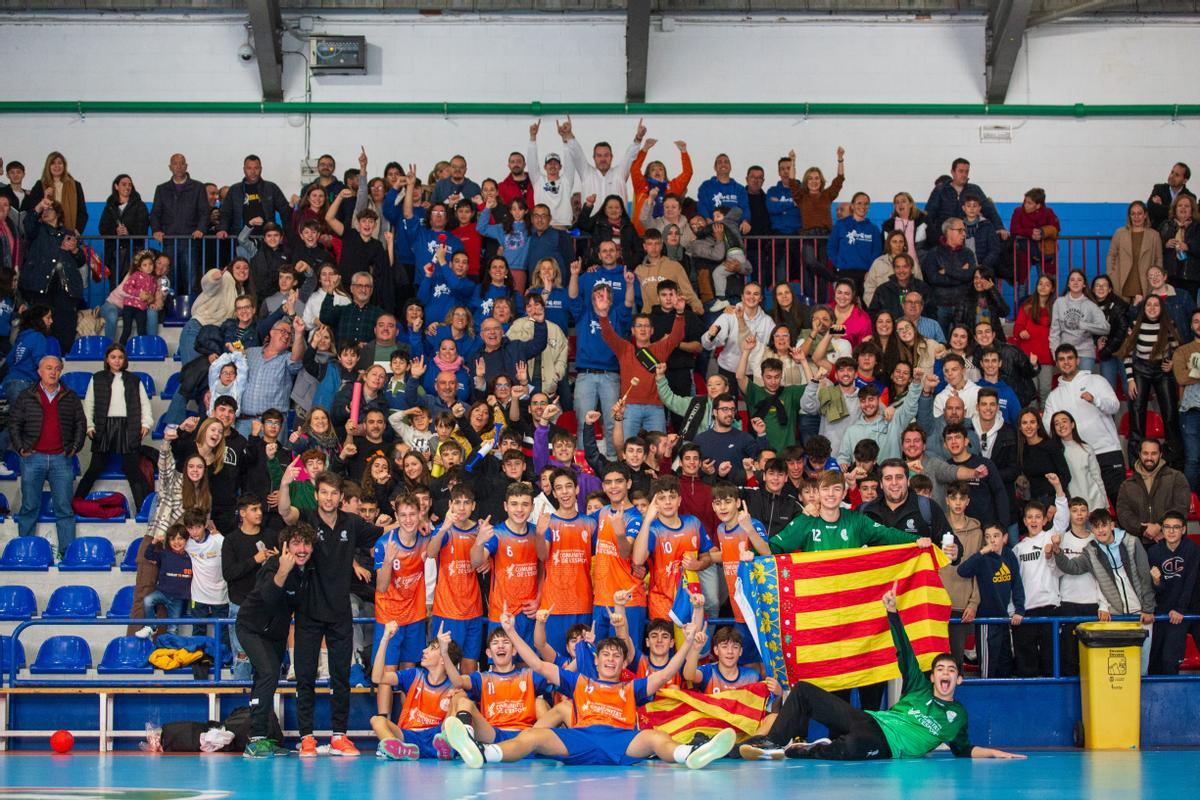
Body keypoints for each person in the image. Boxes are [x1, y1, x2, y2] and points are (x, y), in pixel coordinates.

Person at [739, 584, 1024, 761]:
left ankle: (805, 749)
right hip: (869, 720)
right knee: (803, 692)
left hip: (885, 744)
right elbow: (904, 650)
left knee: (849, 748)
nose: (945, 673)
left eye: (951, 670)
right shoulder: (918, 686)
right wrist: (892, 612)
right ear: (933, 677)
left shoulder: (957, 716)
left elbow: (964, 750)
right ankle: (772, 744)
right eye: (940, 669)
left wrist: (996, 753)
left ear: (958, 679)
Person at [441, 605, 735, 770]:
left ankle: (691, 753)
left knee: (656, 737)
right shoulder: (580, 681)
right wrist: (510, 631)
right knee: (533, 736)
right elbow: (538, 663)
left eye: (616, 655)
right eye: (605, 654)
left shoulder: (632, 687)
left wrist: (685, 644)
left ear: (623, 664)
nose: (610, 658)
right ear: (597, 661)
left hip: (621, 740)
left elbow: (667, 672)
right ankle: (483, 752)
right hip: (579, 740)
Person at [277, 468, 386, 757]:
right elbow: (286, 513)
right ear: (316, 495)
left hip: (340, 614)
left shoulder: (352, 522)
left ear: (340, 497)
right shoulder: (308, 519)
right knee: (305, 677)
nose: (328, 497)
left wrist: (416, 523)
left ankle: (339, 735)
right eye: (323, 492)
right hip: (308, 613)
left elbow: (383, 533)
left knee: (340, 677)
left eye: (333, 493)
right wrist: (286, 483)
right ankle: (307, 737)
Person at [1048, 507, 1156, 674]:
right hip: (1116, 618)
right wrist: (1057, 550)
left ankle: (1139, 701)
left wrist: (1148, 608)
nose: (1101, 530)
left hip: (1141, 615)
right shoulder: (1091, 551)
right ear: (1092, 529)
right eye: (1096, 527)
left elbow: (1145, 576)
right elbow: (1072, 567)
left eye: (1104, 525)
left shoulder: (1131, 542)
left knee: (1141, 668)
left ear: (1111, 525)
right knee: (1120, 670)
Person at [238, 524, 315, 758]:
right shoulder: (273, 566)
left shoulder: (308, 570)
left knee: (266, 678)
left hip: (276, 633)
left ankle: (260, 736)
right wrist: (283, 570)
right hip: (251, 628)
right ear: (285, 547)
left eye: (306, 544)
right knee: (269, 673)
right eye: (296, 544)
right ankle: (256, 741)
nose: (302, 549)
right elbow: (269, 598)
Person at [9, 355, 86, 552]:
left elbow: (80, 423)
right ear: (39, 372)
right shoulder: (26, 396)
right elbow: (14, 424)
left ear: (60, 372)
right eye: (48, 368)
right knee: (29, 507)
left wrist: (75, 447)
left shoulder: (71, 396)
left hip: (62, 458)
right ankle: (24, 552)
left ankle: (67, 554)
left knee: (64, 509)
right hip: (33, 458)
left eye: (57, 368)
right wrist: (20, 447)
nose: (53, 372)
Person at [1043, 344, 1126, 502]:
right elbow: (1048, 427)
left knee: (1120, 503)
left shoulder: (1097, 380)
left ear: (1078, 360)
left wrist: (1095, 400)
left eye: (1070, 358)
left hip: (1106, 451)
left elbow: (1114, 406)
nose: (1066, 362)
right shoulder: (1054, 396)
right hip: (1077, 457)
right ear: (1057, 363)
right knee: (1088, 507)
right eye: (1061, 359)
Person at [74, 343, 152, 510]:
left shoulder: (134, 380)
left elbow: (144, 403)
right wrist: (89, 425)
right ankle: (76, 502)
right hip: (104, 427)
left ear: (125, 360)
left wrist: (146, 423)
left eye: (120, 357)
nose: (117, 361)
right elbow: (89, 405)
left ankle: (144, 509)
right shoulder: (97, 378)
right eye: (113, 357)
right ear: (107, 359)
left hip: (128, 426)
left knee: (132, 469)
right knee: (95, 467)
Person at [1120, 294, 1183, 466]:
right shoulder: (1136, 325)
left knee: (1170, 414)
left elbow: (1178, 351)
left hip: (1162, 371)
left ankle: (1173, 462)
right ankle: (1135, 462)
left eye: (1156, 305)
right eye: (1149, 305)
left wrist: (1171, 364)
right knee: (1137, 413)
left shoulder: (1169, 326)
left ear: (1161, 308)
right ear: (1144, 307)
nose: (1152, 308)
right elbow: (1127, 353)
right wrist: (1130, 379)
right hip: (1141, 370)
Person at [956, 523, 1025, 678]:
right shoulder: (982, 558)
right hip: (986, 619)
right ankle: (986, 698)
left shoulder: (1009, 555)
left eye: (996, 536)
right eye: (987, 537)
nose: (992, 540)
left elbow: (1017, 584)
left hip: (1004, 619)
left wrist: (1019, 609)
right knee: (988, 666)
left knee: (1005, 662)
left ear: (1005, 538)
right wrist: (981, 552)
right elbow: (962, 571)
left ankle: (1005, 699)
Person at [20, 196, 84, 353]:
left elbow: (81, 260)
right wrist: (39, 205)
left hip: (66, 288)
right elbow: (28, 224)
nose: (45, 212)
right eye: (44, 210)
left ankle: (62, 358)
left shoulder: (69, 233)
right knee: (40, 325)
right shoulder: (37, 230)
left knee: (66, 327)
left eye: (49, 209)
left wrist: (74, 250)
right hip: (42, 286)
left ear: (58, 213)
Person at [1146, 512, 1200, 675]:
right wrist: (1156, 582)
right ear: (1162, 529)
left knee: (1170, 658)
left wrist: (1180, 609)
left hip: (1189, 609)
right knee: (1162, 661)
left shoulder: (1192, 549)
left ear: (1183, 529)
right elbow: (1159, 590)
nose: (1171, 531)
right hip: (1166, 612)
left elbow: (1191, 581)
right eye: (1167, 527)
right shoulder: (1154, 552)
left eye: (1176, 527)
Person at [561, 115, 645, 212]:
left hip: (618, 226)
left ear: (611, 157)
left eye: (606, 155)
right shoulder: (587, 173)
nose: (603, 159)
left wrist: (638, 138)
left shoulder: (619, 173)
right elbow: (577, 155)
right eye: (599, 156)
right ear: (594, 158)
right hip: (592, 226)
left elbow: (630, 156)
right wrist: (569, 135)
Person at [1116, 439, 1191, 545]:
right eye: (1145, 453)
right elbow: (1123, 514)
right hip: (1140, 544)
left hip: (1172, 543)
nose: (1149, 458)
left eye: (1154, 453)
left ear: (1160, 455)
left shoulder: (1177, 477)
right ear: (1140, 454)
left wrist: (1160, 526)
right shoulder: (1127, 485)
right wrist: (1144, 529)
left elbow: (1181, 506)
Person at [923, 157, 1008, 245]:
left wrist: (1000, 227)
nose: (964, 174)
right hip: (943, 238)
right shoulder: (940, 190)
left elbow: (990, 210)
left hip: (969, 237)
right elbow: (929, 214)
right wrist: (935, 236)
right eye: (961, 171)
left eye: (966, 171)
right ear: (952, 172)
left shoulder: (975, 189)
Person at [136, 524, 194, 638]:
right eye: (173, 539)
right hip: (162, 593)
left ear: (186, 540)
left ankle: (170, 650)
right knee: (148, 600)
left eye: (180, 539)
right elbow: (148, 555)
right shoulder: (164, 554)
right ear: (168, 541)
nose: (176, 542)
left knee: (173, 628)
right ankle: (151, 627)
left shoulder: (191, 558)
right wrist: (154, 541)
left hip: (178, 599)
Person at [925, 218, 978, 336]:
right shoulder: (934, 253)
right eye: (960, 230)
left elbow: (969, 275)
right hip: (940, 305)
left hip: (963, 306)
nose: (964, 234)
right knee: (939, 342)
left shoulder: (968, 253)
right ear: (948, 231)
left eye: (964, 230)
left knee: (963, 343)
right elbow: (934, 279)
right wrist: (960, 274)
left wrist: (947, 271)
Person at [218, 154, 292, 238]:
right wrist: (222, 229)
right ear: (244, 169)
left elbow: (285, 212)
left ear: (261, 169)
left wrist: (285, 234)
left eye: (256, 168)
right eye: (249, 168)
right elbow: (226, 213)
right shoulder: (234, 190)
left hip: (267, 239)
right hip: (241, 238)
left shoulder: (271, 188)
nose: (253, 172)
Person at [1050, 269, 1109, 372]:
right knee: (1068, 386)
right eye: (1072, 280)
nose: (1076, 282)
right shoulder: (1059, 303)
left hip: (1085, 353)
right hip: (1066, 353)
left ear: (1084, 284)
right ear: (1068, 284)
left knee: (1083, 387)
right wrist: (1056, 354)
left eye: (1079, 280)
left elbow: (1105, 328)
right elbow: (1054, 333)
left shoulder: (1091, 305)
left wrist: (1084, 325)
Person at [1049, 411, 1108, 512]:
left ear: (1072, 424)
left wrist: (1105, 504)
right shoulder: (1054, 451)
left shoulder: (1086, 448)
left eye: (1064, 421)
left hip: (1094, 503)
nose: (1061, 426)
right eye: (1057, 424)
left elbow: (1097, 477)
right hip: (1071, 507)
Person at [1108, 200, 1164, 303]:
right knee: (1122, 315)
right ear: (1129, 216)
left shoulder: (1154, 235)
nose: (1136, 217)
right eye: (1133, 214)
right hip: (1121, 281)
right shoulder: (1120, 233)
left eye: (1139, 213)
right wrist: (1111, 275)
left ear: (1145, 215)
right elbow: (1111, 255)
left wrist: (1155, 278)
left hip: (1145, 283)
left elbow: (1158, 259)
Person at [98, 173, 150, 280]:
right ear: (116, 186)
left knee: (133, 287)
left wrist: (128, 232)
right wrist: (115, 231)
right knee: (115, 287)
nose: (127, 187)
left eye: (130, 185)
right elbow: (102, 228)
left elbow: (143, 227)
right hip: (113, 253)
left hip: (134, 253)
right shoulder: (110, 206)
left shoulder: (140, 205)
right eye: (124, 184)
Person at [827, 192, 882, 287]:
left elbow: (877, 251)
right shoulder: (840, 225)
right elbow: (831, 247)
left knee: (865, 301)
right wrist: (839, 264)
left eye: (866, 204)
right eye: (859, 203)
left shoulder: (873, 229)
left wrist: (870, 270)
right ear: (852, 206)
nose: (862, 206)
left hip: (866, 274)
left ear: (869, 207)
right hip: (845, 272)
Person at [1148, 162, 1194, 230]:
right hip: (1158, 232)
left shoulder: (1190, 197)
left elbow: (1187, 218)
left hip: (1180, 234)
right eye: (1172, 172)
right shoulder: (1158, 189)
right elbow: (1152, 209)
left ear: (1184, 181)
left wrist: (1162, 206)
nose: (1172, 176)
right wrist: (1177, 211)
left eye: (1177, 175)